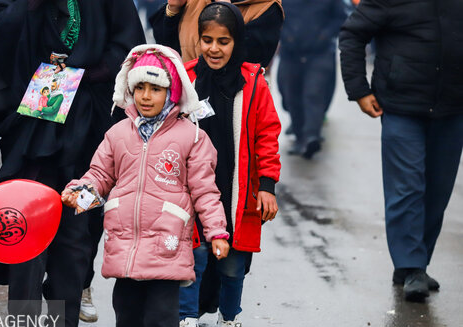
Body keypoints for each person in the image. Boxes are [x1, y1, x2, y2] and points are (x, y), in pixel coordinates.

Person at [62, 43, 230, 327]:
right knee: (126, 312)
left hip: (168, 245)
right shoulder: (118, 134)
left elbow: (205, 189)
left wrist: (217, 232)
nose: (147, 96)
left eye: (155, 89)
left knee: (161, 319)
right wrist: (80, 192)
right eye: (140, 88)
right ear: (130, 90)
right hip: (125, 243)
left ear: (171, 91)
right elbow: (100, 176)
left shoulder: (192, 137)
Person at [0, 0, 145, 327]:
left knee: (77, 232)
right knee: (27, 226)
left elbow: (128, 49)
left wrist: (81, 73)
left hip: (90, 130)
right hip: (30, 127)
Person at [175, 2, 281, 327]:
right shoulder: (185, 79)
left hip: (238, 192)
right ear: (198, 40)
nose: (214, 49)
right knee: (193, 259)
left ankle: (227, 326)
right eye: (207, 40)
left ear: (237, 42)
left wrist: (267, 185)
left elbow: (268, 134)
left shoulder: (254, 83)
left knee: (234, 265)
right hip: (192, 192)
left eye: (224, 40)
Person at [339, 0, 463, 302]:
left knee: (438, 190)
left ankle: (413, 261)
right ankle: (411, 265)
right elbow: (352, 35)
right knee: (407, 186)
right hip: (401, 107)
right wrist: (359, 90)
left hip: (453, 106)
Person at [277, 0, 347, 159]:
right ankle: (299, 135)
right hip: (290, 54)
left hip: (320, 54)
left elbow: (340, 19)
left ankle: (310, 137)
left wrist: (324, 35)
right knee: (291, 96)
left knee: (313, 94)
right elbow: (275, 18)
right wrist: (285, 36)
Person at [149, 0, 283, 67]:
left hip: (235, 107)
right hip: (187, 103)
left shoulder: (266, 7)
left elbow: (252, 58)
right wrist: (173, 10)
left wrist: (224, 10)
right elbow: (168, 50)